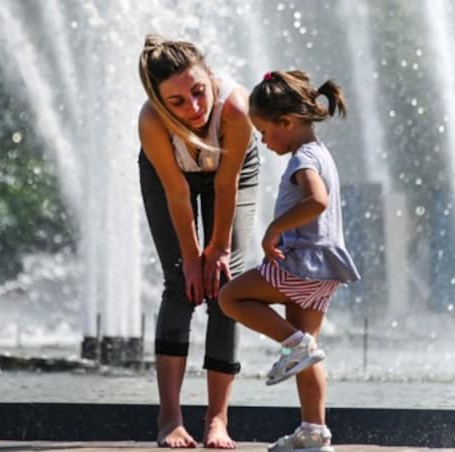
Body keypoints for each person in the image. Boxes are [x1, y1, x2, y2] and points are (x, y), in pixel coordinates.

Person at [218, 70, 361, 452]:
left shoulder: (303, 158)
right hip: (326, 269)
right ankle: (314, 432)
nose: (263, 141)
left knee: (230, 298)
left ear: (288, 122)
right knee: (307, 351)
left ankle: (293, 343)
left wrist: (273, 229)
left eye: (265, 132)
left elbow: (317, 201)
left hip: (299, 261)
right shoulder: (321, 153)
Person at [137, 34, 259, 448]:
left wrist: (217, 251)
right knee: (180, 284)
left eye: (198, 92)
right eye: (177, 102)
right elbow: (177, 194)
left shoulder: (235, 111)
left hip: (232, 174)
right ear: (158, 101)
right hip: (171, 177)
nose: (193, 107)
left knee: (225, 285)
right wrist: (191, 258)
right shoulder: (151, 123)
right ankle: (169, 418)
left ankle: (217, 420)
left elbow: (225, 187)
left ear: (210, 76)